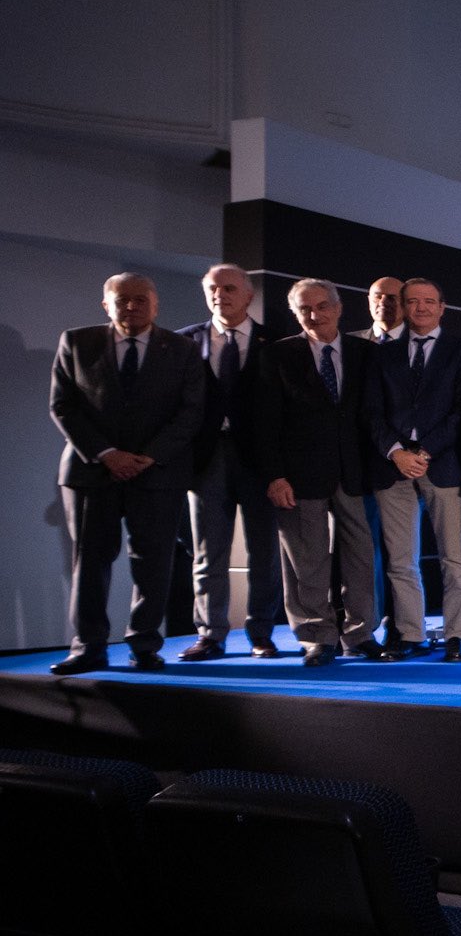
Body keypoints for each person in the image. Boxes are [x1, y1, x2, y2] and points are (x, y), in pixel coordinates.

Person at [48, 273, 206, 674]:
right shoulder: (76, 342)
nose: (131, 307)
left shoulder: (184, 349)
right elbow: (63, 406)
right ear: (106, 305)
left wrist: (148, 457)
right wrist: (107, 454)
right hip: (91, 472)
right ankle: (88, 647)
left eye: (140, 300)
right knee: (91, 562)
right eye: (122, 300)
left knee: (153, 564)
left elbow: (191, 413)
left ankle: (145, 645)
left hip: (157, 474)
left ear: (155, 305)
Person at [246, 278, 384, 665]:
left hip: (354, 473)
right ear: (295, 313)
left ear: (338, 309)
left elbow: (373, 415)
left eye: (322, 306)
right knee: (306, 560)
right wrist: (274, 476)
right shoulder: (277, 356)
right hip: (297, 476)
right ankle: (316, 636)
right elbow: (265, 423)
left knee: (360, 557)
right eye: (304, 309)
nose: (314, 314)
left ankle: (360, 634)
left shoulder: (365, 353)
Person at [367, 278, 461, 659]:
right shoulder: (382, 354)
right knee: (400, 559)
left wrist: (425, 450)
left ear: (442, 307)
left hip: (442, 464)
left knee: (452, 557)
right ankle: (411, 635)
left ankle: (456, 635)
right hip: (393, 466)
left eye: (429, 301)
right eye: (413, 302)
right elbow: (371, 412)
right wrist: (396, 451)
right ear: (403, 306)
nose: (421, 308)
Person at [177, 262, 283, 660]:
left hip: (260, 460)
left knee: (265, 552)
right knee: (208, 553)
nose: (221, 295)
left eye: (230, 288)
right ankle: (210, 634)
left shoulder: (275, 342)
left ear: (248, 295)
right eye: (214, 289)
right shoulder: (184, 342)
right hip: (206, 459)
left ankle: (261, 633)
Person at [353, 275, 405, 344]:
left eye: (391, 298)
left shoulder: (419, 344)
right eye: (378, 297)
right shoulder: (347, 343)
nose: (383, 302)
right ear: (369, 301)